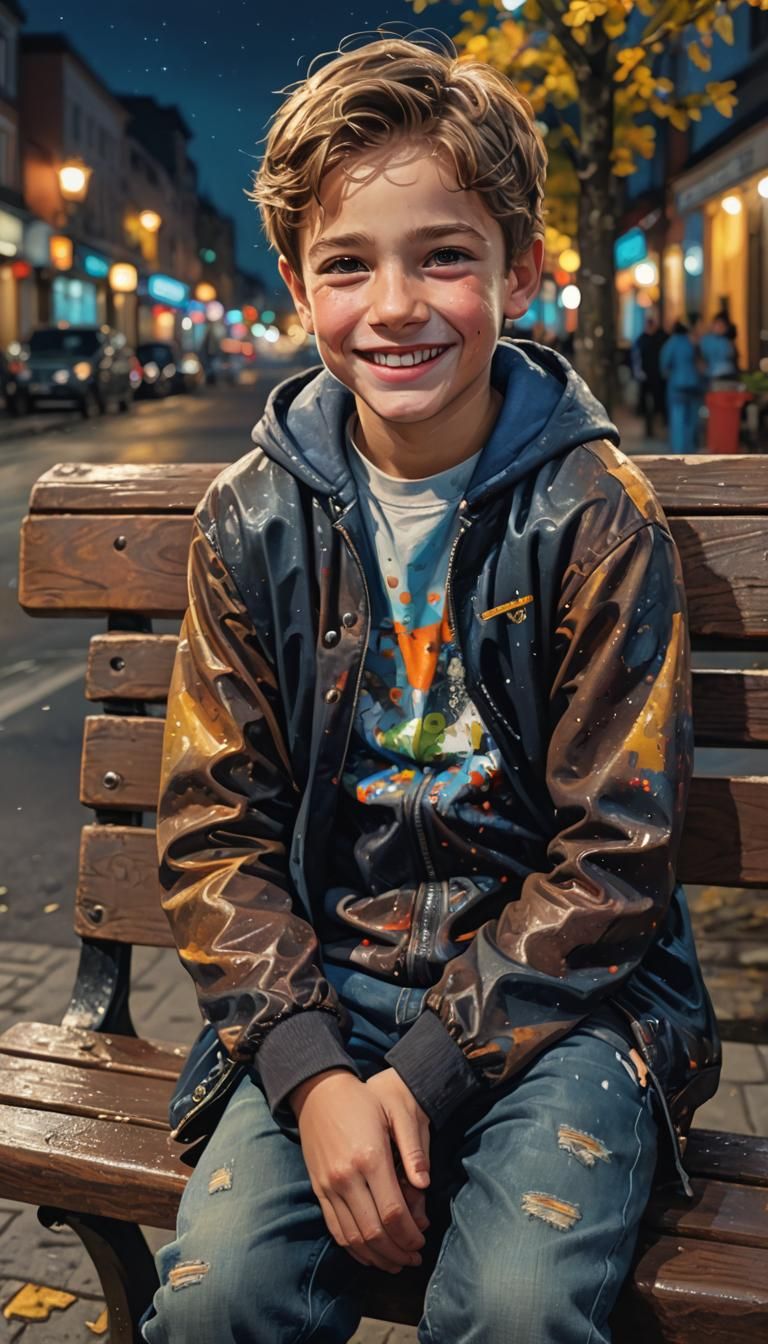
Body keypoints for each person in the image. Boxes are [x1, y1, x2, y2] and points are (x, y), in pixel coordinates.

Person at [141, 34, 720, 1344]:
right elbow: (208, 834)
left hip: (565, 1007)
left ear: (518, 270)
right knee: (220, 1298)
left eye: (443, 255)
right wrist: (316, 1077)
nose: (395, 304)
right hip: (320, 991)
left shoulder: (593, 516)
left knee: (518, 1308)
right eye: (349, 263)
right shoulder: (250, 521)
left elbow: (619, 856)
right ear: (297, 285)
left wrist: (425, 1072)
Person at [659, 318, 705, 453]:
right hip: (694, 384)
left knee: (677, 417)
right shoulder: (692, 342)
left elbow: (664, 366)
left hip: (676, 385)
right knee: (692, 418)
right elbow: (700, 362)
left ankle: (678, 449)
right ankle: (690, 448)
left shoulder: (670, 344)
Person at [631, 313, 667, 437]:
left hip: (654, 377)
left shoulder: (646, 339)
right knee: (648, 405)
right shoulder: (651, 339)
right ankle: (650, 430)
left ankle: (654, 428)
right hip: (649, 377)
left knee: (655, 404)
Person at [698, 311, 739, 389]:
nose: (719, 327)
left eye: (722, 326)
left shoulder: (727, 340)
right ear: (713, 325)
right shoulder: (707, 340)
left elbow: (733, 356)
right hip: (713, 376)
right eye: (717, 325)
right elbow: (702, 358)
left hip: (729, 375)